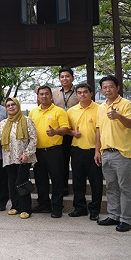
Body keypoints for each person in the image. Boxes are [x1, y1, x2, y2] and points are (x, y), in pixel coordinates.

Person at [95, 75, 131, 233]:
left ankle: (126, 219)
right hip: (105, 152)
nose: (108, 90)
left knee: (125, 187)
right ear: (101, 90)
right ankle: (114, 215)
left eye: (111, 86)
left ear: (118, 88)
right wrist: (97, 150)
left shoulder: (126, 104)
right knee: (111, 187)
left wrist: (119, 116)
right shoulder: (101, 107)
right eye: (104, 87)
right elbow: (98, 130)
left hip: (122, 152)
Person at [0, 97, 37, 219]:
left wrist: (26, 154)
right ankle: (15, 206)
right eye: (8, 105)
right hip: (9, 158)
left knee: (22, 183)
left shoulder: (27, 120)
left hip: (23, 158)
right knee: (12, 183)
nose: (10, 107)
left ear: (18, 106)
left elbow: (33, 140)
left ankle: (26, 208)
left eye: (13, 105)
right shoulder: (4, 123)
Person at [29, 85, 71, 218]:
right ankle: (44, 204)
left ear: (51, 96)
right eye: (41, 94)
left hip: (55, 151)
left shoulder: (59, 111)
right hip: (38, 151)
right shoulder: (33, 112)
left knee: (57, 179)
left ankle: (57, 207)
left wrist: (56, 132)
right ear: (38, 97)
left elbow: (66, 129)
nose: (44, 96)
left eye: (46, 94)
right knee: (40, 180)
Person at [67, 82, 102, 220]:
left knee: (96, 182)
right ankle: (79, 208)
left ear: (91, 93)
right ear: (76, 95)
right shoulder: (71, 111)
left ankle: (95, 210)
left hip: (94, 151)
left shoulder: (100, 109)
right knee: (78, 181)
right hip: (76, 150)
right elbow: (67, 129)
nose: (82, 95)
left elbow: (102, 131)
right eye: (79, 92)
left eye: (85, 92)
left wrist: (98, 150)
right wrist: (72, 133)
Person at [52, 67, 79, 196]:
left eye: (67, 76)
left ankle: (78, 188)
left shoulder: (79, 92)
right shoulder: (54, 92)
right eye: (62, 77)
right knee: (61, 161)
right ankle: (63, 187)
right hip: (61, 131)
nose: (64, 79)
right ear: (59, 79)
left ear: (72, 78)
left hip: (75, 131)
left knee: (76, 161)